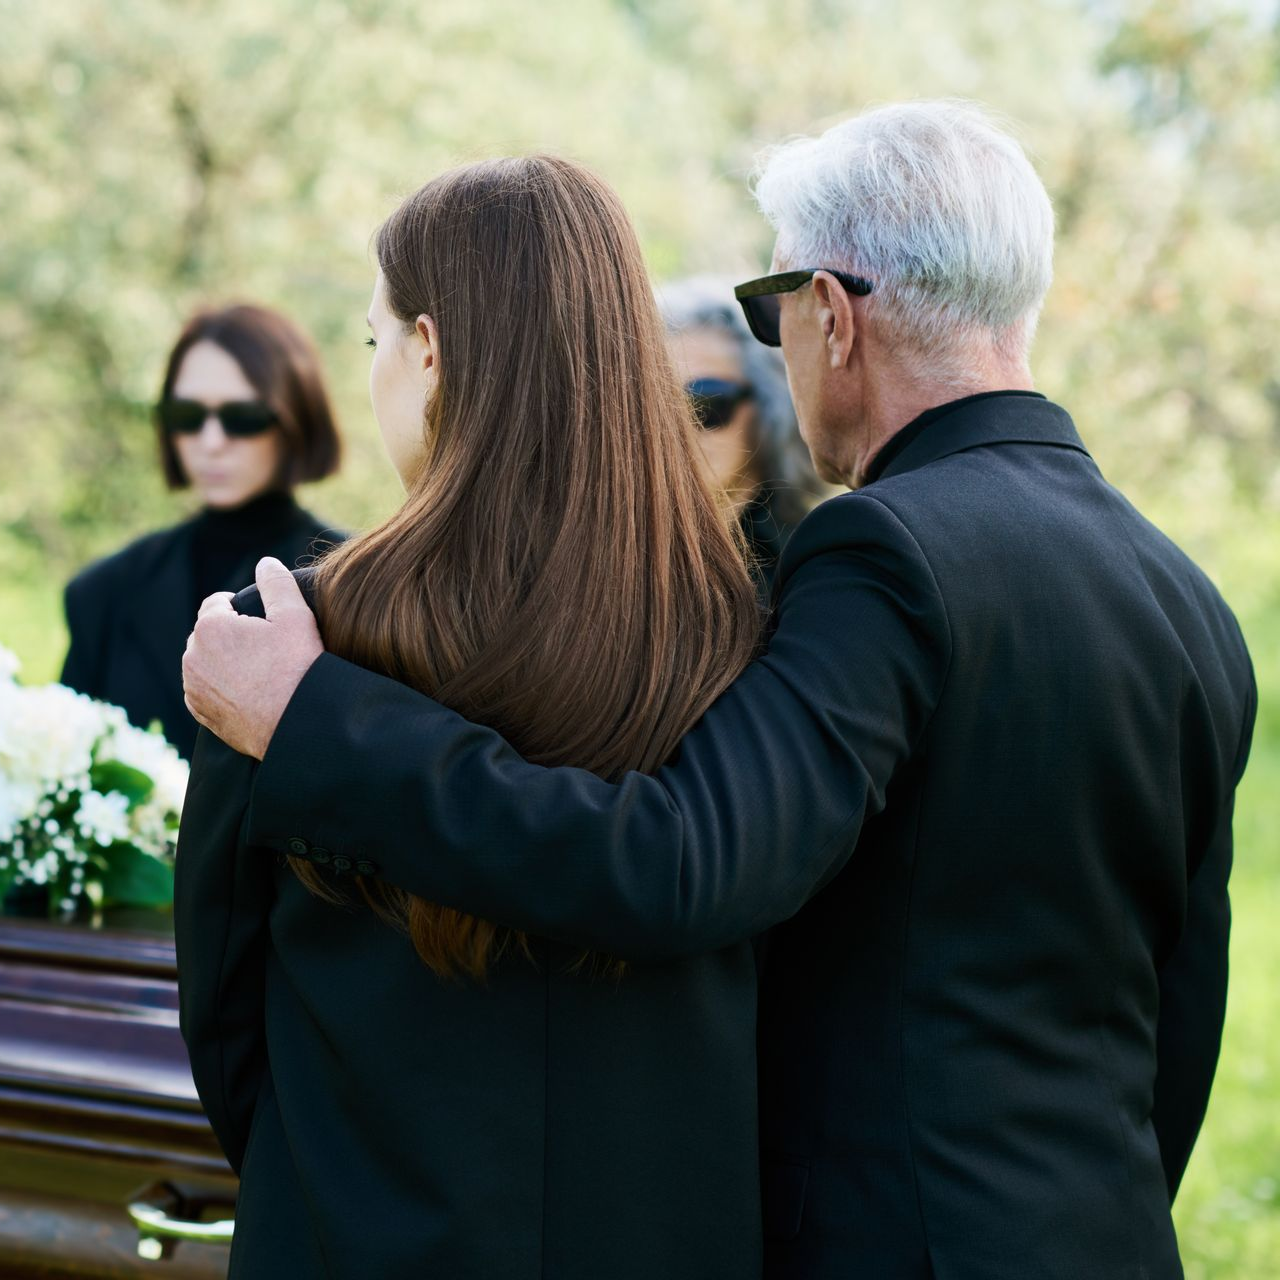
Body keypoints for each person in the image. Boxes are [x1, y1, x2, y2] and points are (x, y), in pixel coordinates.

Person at [184, 102, 1256, 1279]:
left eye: (771, 314)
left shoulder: (877, 558)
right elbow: (1179, 1003)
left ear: (832, 315)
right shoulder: (1187, 601)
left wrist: (312, 722)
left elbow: (676, 864)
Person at [174, 157, 765, 1278]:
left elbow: (225, 1009)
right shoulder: (750, 626)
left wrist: (320, 1179)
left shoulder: (290, 639)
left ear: (431, 349)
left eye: (372, 339)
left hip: (352, 1229)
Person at [60, 305, 343, 759]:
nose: (211, 441)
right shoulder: (103, 592)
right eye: (188, 415)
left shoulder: (356, 582)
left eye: (243, 416)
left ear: (295, 418)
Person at [661, 276, 826, 597]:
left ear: (770, 405)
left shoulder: (814, 564)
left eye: (704, 402)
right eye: (655, 409)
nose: (676, 429)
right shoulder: (607, 556)